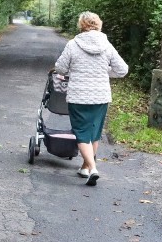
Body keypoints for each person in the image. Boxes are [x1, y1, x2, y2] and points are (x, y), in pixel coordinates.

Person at [54, 11, 128, 186]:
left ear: (81, 25)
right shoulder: (107, 45)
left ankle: (93, 168)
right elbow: (122, 70)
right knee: (94, 133)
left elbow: (61, 68)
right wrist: (103, 72)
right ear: (99, 24)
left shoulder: (73, 44)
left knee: (81, 132)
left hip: (79, 95)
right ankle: (85, 168)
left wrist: (73, 71)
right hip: (101, 95)